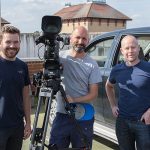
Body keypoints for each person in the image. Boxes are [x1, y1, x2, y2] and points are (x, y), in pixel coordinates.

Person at [49, 26, 102, 149]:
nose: (80, 41)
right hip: (62, 114)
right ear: (70, 39)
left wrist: (73, 100)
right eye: (77, 37)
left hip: (84, 116)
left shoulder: (92, 65)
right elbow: (48, 74)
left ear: (87, 41)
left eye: (84, 38)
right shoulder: (60, 58)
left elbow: (93, 94)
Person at [105, 35, 150, 150]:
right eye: (127, 48)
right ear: (121, 51)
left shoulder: (148, 67)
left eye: (133, 47)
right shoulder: (117, 69)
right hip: (122, 122)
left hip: (143, 122)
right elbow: (108, 86)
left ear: (138, 48)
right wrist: (113, 105)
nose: (130, 51)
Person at [0, 25, 31, 150]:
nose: (12, 45)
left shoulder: (22, 66)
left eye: (16, 42)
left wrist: (28, 122)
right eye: (8, 42)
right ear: (0, 42)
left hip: (17, 127)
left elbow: (26, 96)